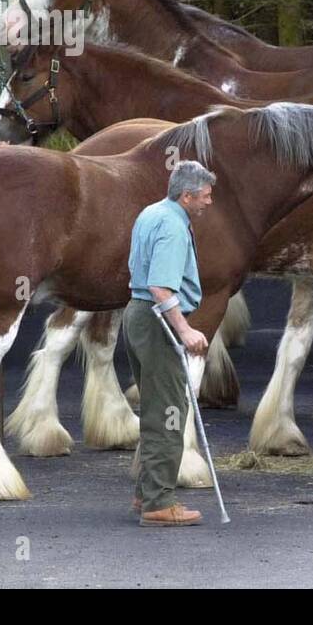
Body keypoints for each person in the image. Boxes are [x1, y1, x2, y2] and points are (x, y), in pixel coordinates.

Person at [125, 160, 215, 527]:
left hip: (138, 314)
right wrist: (185, 331)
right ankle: (159, 503)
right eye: (206, 196)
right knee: (169, 412)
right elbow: (161, 286)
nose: (209, 202)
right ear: (187, 195)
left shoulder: (151, 212)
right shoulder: (174, 228)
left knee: (155, 407)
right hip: (157, 319)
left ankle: (147, 492)